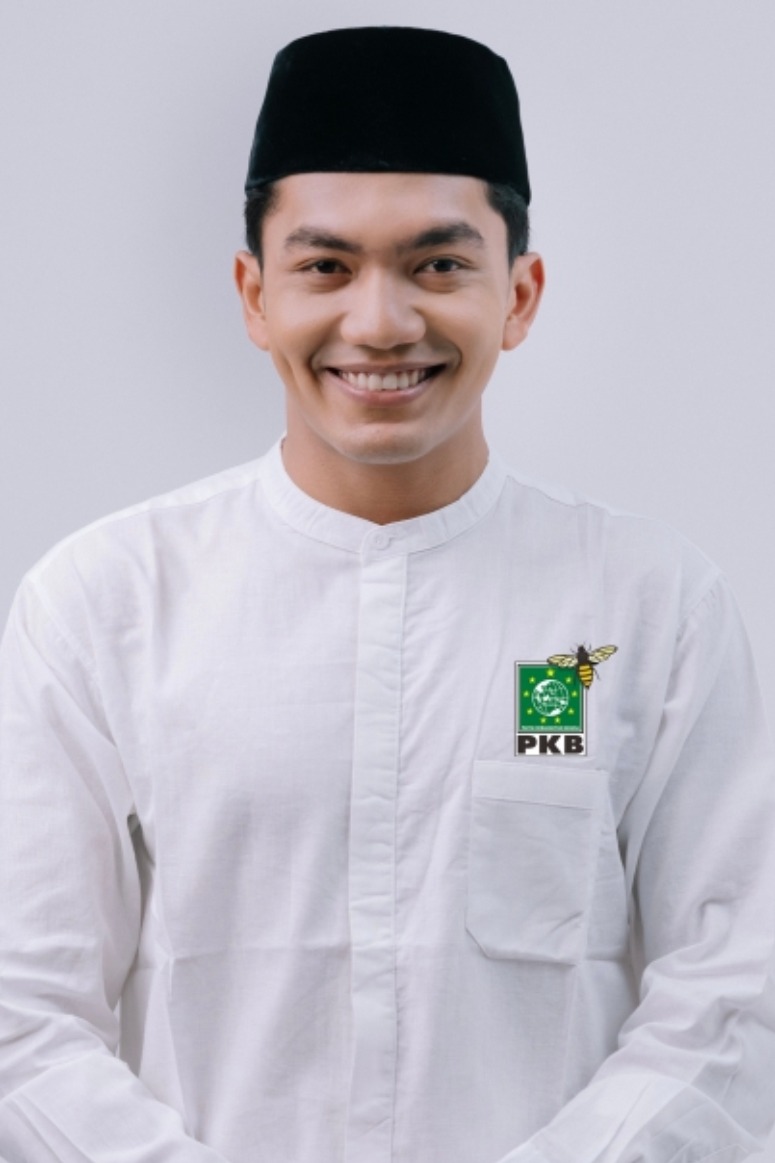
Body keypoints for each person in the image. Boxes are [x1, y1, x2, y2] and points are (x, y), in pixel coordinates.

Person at [1, 24, 774, 1163]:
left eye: (437, 265)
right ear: (254, 294)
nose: (378, 323)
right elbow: (23, 1017)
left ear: (518, 294)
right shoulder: (106, 603)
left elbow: (735, 992)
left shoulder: (647, 609)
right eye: (325, 266)